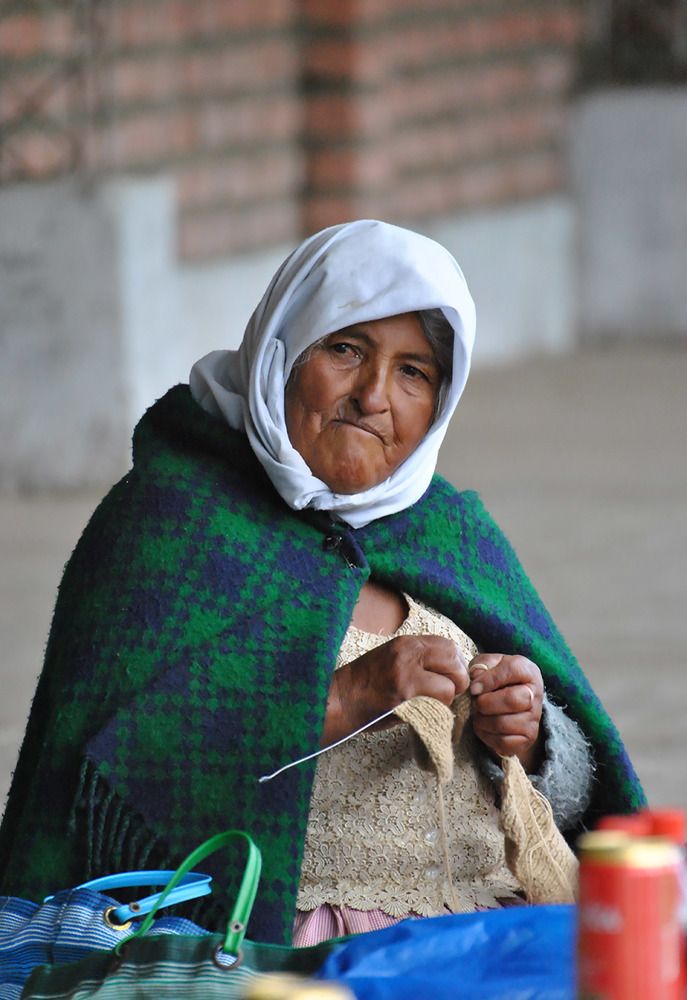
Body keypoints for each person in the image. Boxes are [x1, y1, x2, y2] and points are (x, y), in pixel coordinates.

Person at [0, 220, 645, 947]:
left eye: (414, 372)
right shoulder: (167, 531)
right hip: (293, 952)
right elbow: (110, 790)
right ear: (281, 350)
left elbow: (581, 800)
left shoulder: (449, 534)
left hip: (499, 935)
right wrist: (347, 697)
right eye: (346, 350)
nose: (375, 395)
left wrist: (533, 737)